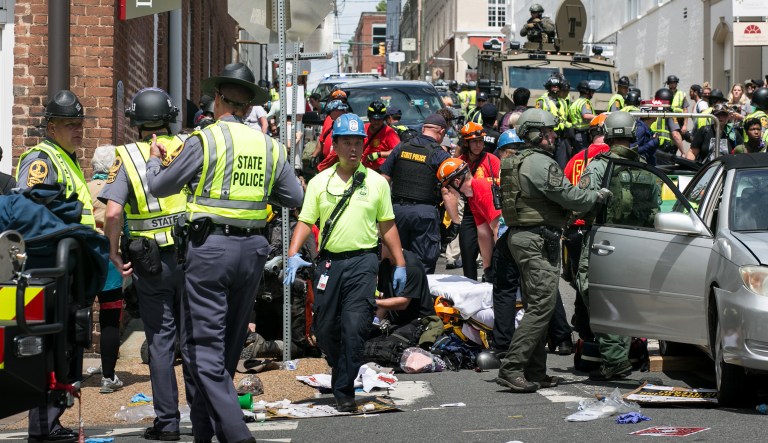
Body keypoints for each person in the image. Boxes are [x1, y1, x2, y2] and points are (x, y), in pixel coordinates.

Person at [145, 63, 304, 443]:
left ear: (218, 99)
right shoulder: (269, 146)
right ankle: (205, 433)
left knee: (202, 350)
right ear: (249, 108)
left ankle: (236, 434)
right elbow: (295, 198)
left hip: (210, 251)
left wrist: (154, 158)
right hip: (252, 253)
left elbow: (160, 186)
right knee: (228, 348)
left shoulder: (206, 140)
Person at [283, 112, 406, 413]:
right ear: (334, 145)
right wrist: (291, 254)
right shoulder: (318, 183)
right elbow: (305, 220)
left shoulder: (376, 183)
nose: (353, 148)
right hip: (328, 265)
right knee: (323, 330)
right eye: (346, 142)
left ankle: (344, 390)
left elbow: (387, 225)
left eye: (358, 142)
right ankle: (343, 367)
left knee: (354, 327)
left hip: (363, 262)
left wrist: (400, 263)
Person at [494, 108, 606, 393]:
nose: (553, 137)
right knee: (542, 305)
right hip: (536, 239)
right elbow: (569, 196)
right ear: (534, 134)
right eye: (548, 133)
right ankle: (512, 367)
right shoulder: (540, 164)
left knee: (536, 306)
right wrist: (595, 195)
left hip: (525, 236)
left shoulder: (518, 161)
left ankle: (535, 370)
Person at [99, 88, 188, 441]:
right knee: (196, 340)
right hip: (191, 256)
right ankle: (209, 415)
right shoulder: (190, 146)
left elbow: (113, 211)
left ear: (135, 121)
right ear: (169, 117)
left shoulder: (126, 157)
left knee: (162, 341)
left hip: (150, 265)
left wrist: (113, 251)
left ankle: (167, 424)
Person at [16, 90, 95, 443]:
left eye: (79, 123)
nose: (77, 130)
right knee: (52, 346)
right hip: (50, 270)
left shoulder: (68, 158)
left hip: (71, 268)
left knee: (68, 343)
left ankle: (50, 421)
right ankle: (43, 426)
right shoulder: (41, 159)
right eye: (69, 124)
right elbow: (32, 210)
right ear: (50, 126)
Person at [578, 111, 659, 381]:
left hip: (605, 241)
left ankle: (614, 361)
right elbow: (654, 207)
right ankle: (626, 353)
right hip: (637, 242)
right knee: (625, 298)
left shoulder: (599, 165)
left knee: (599, 296)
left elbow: (583, 201)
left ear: (608, 134)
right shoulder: (644, 166)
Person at [380, 113, 459, 274]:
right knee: (423, 265)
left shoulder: (401, 147)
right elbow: (447, 191)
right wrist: (456, 222)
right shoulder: (439, 154)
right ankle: (417, 298)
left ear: (423, 128)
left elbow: (383, 180)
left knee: (395, 260)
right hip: (425, 215)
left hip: (397, 212)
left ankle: (395, 296)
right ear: (442, 132)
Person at [87, 145, 125, 396]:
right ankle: (108, 376)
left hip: (85, 257)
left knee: (80, 313)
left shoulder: (84, 187)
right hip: (110, 257)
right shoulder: (118, 189)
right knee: (110, 318)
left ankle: (71, 376)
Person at [437, 158, 501, 282]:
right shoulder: (472, 197)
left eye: (447, 187)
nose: (448, 192)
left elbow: (498, 229)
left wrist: (499, 266)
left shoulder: (482, 191)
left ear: (456, 182)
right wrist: (487, 269)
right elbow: (483, 234)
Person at [456, 121, 501, 281]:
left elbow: (501, 183)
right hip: (470, 210)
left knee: (494, 248)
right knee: (467, 249)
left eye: (480, 141)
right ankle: (470, 284)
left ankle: (492, 276)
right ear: (466, 143)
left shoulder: (492, 160)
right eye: (474, 141)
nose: (478, 144)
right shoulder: (460, 162)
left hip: (490, 209)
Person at [374, 244, 434, 331]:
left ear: (386, 243)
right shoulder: (385, 263)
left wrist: (373, 302)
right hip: (397, 322)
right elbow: (385, 297)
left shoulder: (411, 266)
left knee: (382, 344)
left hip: (419, 322)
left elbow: (403, 303)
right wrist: (376, 321)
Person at [361, 101, 401, 171]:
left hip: (381, 171)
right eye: (374, 119)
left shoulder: (389, 132)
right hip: (363, 169)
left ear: (384, 119)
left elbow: (398, 151)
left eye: (379, 119)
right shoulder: (363, 129)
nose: (376, 122)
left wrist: (379, 154)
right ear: (369, 118)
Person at [312, 99, 348, 171]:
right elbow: (322, 140)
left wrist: (323, 166)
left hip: (339, 164)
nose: (329, 115)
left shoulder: (346, 126)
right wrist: (314, 156)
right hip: (328, 163)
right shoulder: (330, 122)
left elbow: (336, 151)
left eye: (330, 112)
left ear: (336, 111)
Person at [568, 80, 601, 155]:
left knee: (577, 156)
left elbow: (569, 118)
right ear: (587, 91)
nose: (593, 93)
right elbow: (586, 115)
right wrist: (599, 117)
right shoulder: (585, 102)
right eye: (591, 91)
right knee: (585, 156)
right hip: (583, 135)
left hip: (575, 134)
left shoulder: (575, 103)